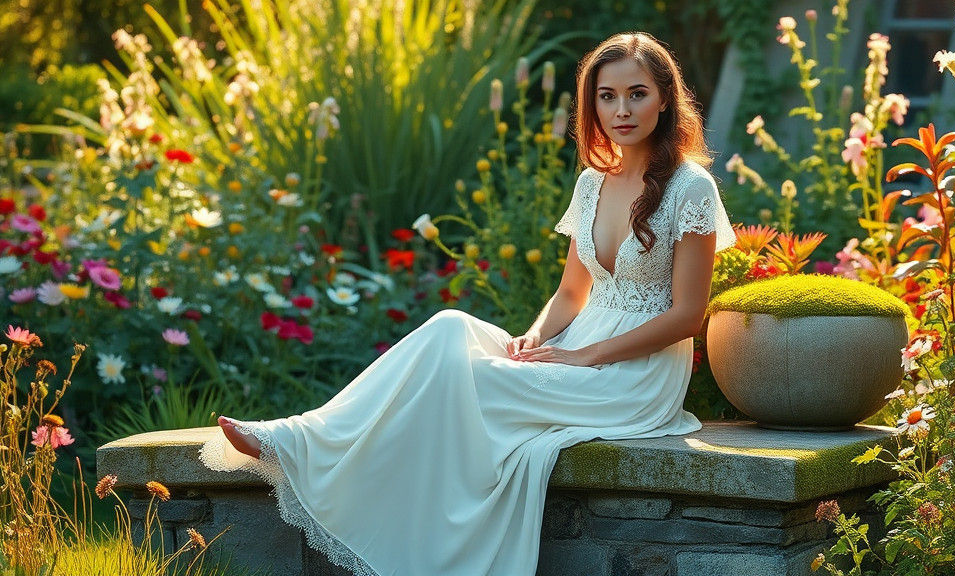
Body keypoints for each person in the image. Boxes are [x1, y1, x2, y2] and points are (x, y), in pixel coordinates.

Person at [200, 31, 735, 576]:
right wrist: (534, 337)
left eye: (637, 93)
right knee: (449, 328)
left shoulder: (690, 189)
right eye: (607, 96)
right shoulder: (593, 183)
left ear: (665, 98)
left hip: (634, 377)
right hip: (576, 346)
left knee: (469, 381)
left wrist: (586, 356)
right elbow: (571, 292)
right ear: (591, 103)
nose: (621, 109)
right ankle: (303, 435)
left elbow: (687, 316)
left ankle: (352, 485)